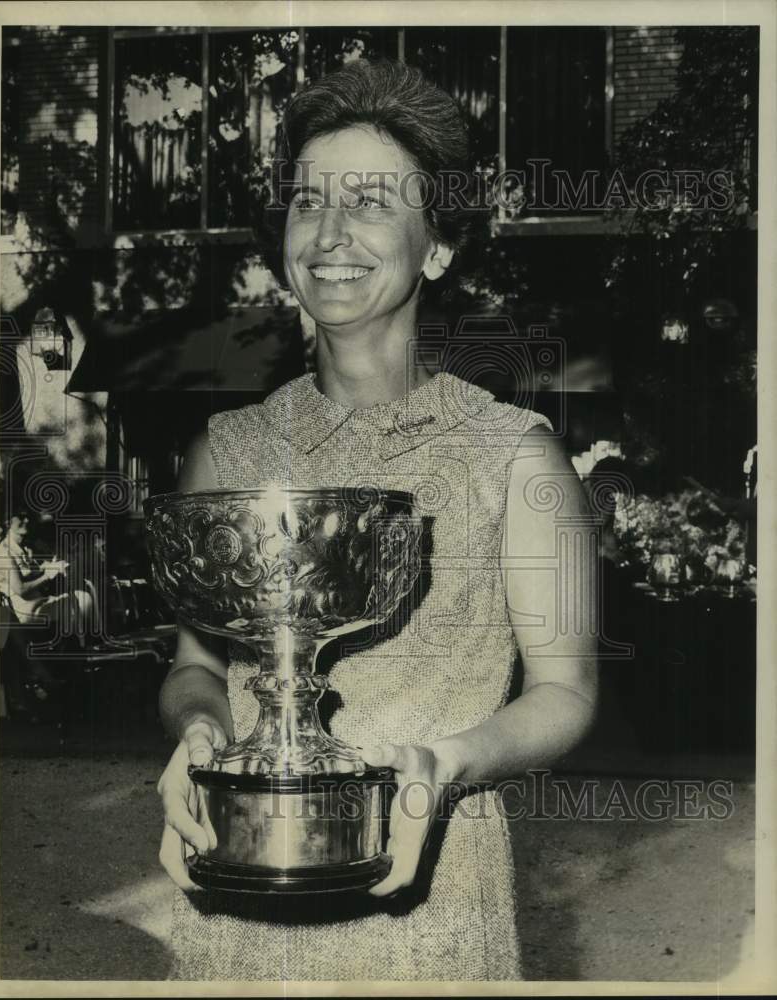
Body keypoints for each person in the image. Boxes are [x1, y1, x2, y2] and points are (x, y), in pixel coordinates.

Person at [156, 59, 597, 981]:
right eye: (308, 199)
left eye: (371, 201)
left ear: (437, 245)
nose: (330, 233)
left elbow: (565, 693)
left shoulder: (516, 456)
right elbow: (196, 667)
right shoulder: (226, 453)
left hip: (436, 897)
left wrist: (445, 765)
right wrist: (201, 737)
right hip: (240, 903)